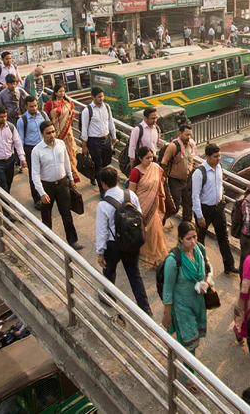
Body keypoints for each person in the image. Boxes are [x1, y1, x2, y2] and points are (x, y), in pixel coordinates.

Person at [161, 221, 212, 392]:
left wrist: (206, 282)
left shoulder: (200, 250)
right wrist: (167, 314)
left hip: (198, 303)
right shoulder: (173, 260)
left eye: (195, 237)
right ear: (180, 239)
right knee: (190, 339)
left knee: (192, 340)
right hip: (181, 306)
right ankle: (189, 377)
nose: (193, 242)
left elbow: (208, 269)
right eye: (189, 239)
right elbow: (168, 288)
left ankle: (184, 363)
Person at [95, 166, 151, 315]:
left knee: (109, 271)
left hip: (114, 245)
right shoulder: (131, 195)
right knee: (134, 273)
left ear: (103, 184)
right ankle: (145, 308)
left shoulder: (103, 204)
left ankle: (109, 298)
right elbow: (138, 216)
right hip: (132, 241)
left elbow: (102, 231)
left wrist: (100, 252)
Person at [31, 121, 81, 250]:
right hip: (47, 186)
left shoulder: (61, 144)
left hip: (63, 184)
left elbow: (66, 162)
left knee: (66, 213)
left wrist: (71, 179)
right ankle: (48, 239)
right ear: (42, 134)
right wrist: (41, 193)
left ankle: (72, 241)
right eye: (48, 133)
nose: (52, 135)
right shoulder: (37, 151)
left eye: (53, 132)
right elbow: (35, 175)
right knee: (46, 214)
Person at [191, 143, 238, 273]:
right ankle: (201, 266)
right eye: (215, 156)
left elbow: (220, 185)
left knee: (223, 237)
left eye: (219, 156)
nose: (218, 158)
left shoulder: (219, 168)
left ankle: (229, 265)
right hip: (204, 210)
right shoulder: (199, 173)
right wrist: (199, 216)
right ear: (208, 157)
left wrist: (221, 198)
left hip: (218, 208)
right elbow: (195, 196)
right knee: (200, 239)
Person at [129, 146, 168, 268]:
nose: (150, 160)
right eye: (147, 158)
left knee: (156, 232)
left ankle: (156, 258)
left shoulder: (156, 168)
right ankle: (147, 256)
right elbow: (132, 192)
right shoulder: (135, 172)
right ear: (140, 158)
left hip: (153, 206)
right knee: (144, 233)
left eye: (151, 157)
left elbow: (161, 182)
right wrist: (134, 209)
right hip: (141, 207)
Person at [80, 87, 117, 185]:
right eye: (99, 97)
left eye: (102, 96)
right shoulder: (87, 111)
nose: (101, 99)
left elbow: (110, 122)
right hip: (94, 141)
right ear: (93, 97)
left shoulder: (107, 107)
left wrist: (114, 136)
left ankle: (94, 175)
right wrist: (84, 145)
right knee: (99, 165)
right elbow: (84, 128)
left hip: (106, 139)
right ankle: (102, 188)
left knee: (106, 162)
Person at [161, 124, 196, 223]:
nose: (188, 137)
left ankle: (186, 230)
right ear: (180, 133)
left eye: (190, 135)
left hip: (186, 180)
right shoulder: (173, 146)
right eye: (186, 135)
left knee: (188, 208)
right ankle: (161, 219)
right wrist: (164, 179)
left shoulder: (190, 145)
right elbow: (164, 162)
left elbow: (190, 160)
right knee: (175, 206)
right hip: (175, 181)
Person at [17, 96, 47, 209]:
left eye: (35, 105)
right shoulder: (22, 120)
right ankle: (37, 199)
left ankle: (45, 195)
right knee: (34, 174)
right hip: (31, 149)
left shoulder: (43, 115)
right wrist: (22, 157)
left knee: (46, 172)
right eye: (31, 106)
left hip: (44, 147)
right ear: (26, 107)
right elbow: (20, 139)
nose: (34, 108)